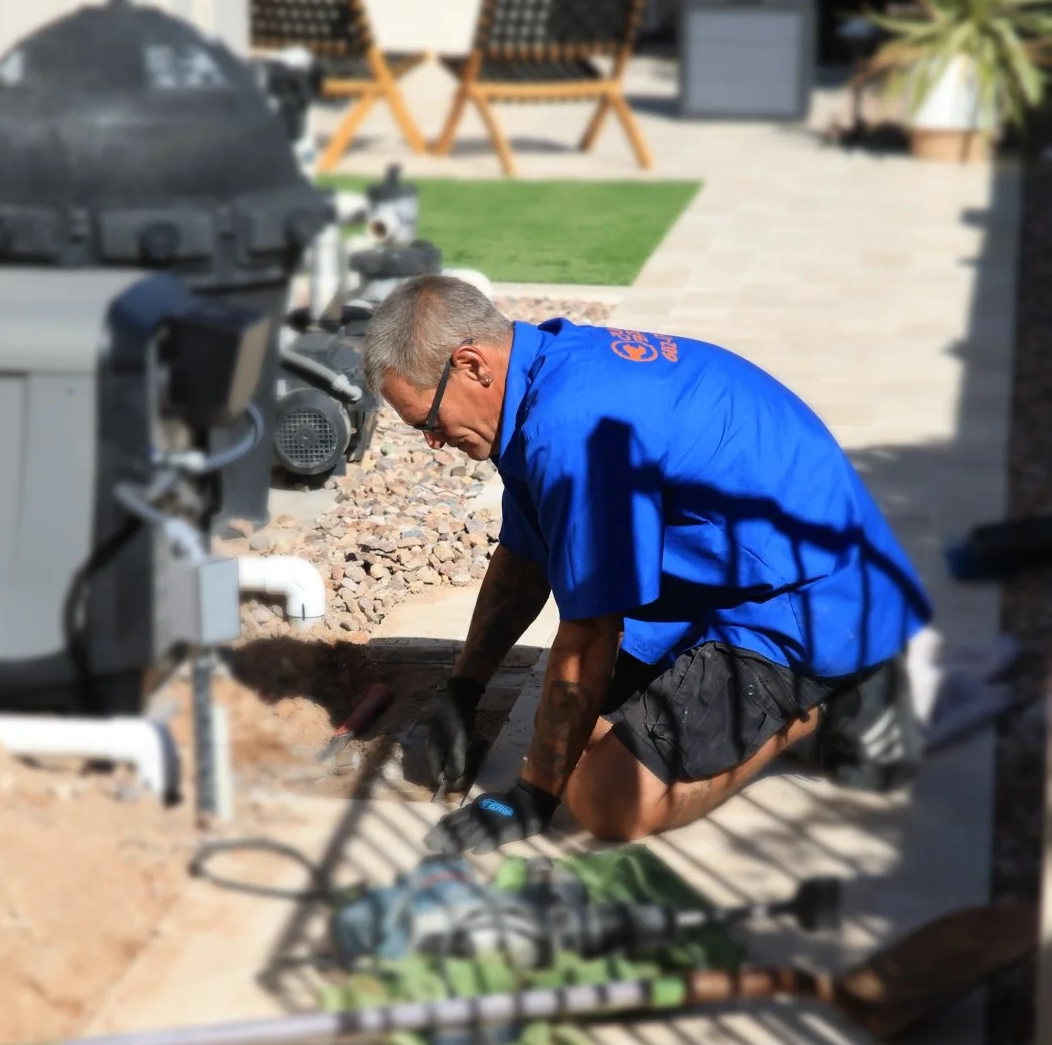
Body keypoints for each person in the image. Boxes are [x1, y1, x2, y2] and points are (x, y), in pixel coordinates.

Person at [363, 276, 931, 854]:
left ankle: (826, 695)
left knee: (603, 798)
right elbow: (524, 555)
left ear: (471, 364)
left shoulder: (570, 429)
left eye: (427, 422)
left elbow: (591, 630)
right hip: (739, 568)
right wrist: (464, 689)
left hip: (814, 597)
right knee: (581, 722)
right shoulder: (542, 376)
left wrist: (532, 795)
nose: (433, 441)